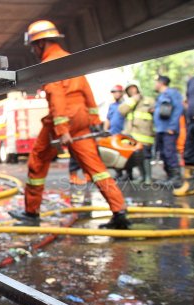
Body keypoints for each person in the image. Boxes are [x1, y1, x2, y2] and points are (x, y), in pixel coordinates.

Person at [9, 20, 130, 229]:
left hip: (64, 119)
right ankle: (119, 212)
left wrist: (62, 130)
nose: (34, 51)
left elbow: (57, 98)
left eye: (33, 46)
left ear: (41, 44)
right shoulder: (70, 60)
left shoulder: (51, 64)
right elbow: (87, 92)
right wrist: (94, 121)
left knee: (37, 162)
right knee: (97, 169)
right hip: (81, 120)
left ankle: (31, 213)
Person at [119, 83, 155, 184]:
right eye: (129, 90)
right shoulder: (129, 103)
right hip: (132, 136)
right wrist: (133, 100)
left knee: (146, 156)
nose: (132, 91)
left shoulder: (149, 100)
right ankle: (142, 177)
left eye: (133, 88)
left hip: (146, 134)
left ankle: (148, 178)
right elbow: (121, 110)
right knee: (137, 157)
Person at [153, 75, 184, 188]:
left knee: (169, 152)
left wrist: (172, 126)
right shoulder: (161, 95)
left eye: (156, 82)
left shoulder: (172, 93)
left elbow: (178, 109)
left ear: (161, 83)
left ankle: (176, 179)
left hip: (168, 129)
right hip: (161, 129)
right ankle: (169, 177)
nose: (155, 84)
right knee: (163, 153)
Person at [175, 62, 194, 196]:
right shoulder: (192, 81)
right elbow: (189, 100)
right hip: (193, 124)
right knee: (189, 155)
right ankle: (190, 186)